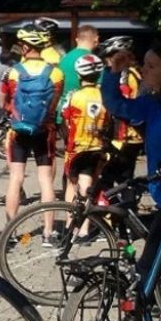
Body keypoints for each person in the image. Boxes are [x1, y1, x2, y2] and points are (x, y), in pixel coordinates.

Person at [101, 43, 161, 280]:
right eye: (144, 64)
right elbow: (117, 105)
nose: (144, 70)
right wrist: (114, 73)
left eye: (152, 66)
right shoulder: (154, 103)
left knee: (150, 267)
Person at [1, 25, 65, 239]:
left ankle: (11, 231)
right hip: (44, 130)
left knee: (16, 178)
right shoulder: (56, 73)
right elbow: (54, 103)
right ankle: (48, 231)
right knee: (46, 180)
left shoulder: (13, 72)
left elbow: (6, 103)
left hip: (18, 130)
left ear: (26, 47)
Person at [61, 55, 110, 231]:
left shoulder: (74, 96)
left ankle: (70, 226)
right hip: (97, 147)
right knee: (89, 186)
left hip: (77, 148)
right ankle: (85, 228)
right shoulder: (104, 96)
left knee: (72, 187)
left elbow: (65, 121)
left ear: (79, 74)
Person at [97, 36, 145, 185]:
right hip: (130, 136)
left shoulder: (126, 76)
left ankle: (119, 206)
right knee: (124, 177)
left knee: (109, 177)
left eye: (108, 59)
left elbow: (120, 105)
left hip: (125, 136)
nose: (107, 64)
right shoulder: (134, 73)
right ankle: (126, 205)